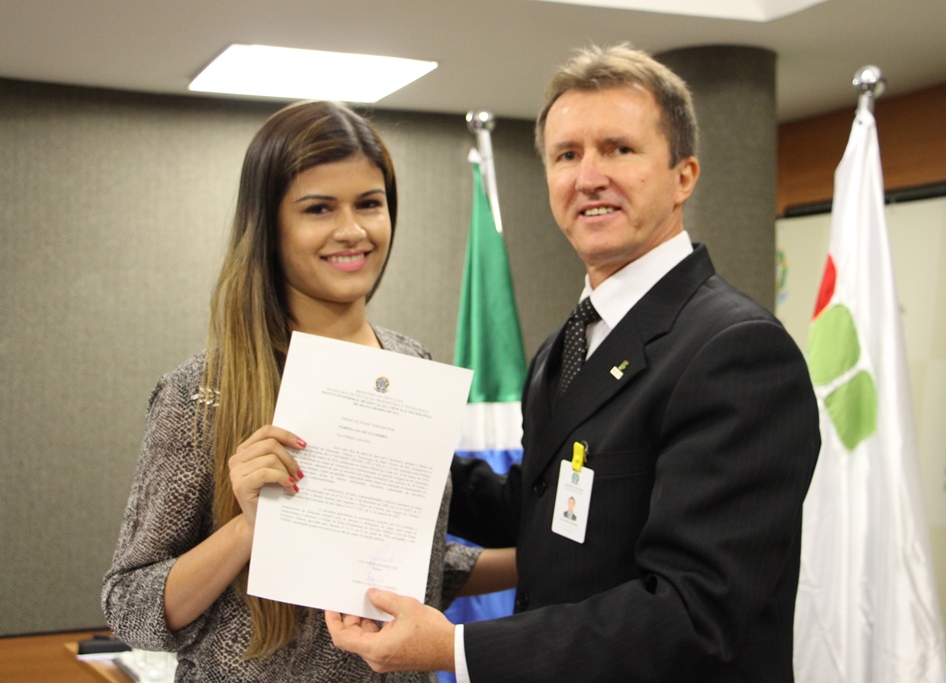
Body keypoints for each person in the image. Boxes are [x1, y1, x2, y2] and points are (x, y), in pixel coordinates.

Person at [326, 43, 821, 682]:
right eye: (567, 155)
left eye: (618, 148)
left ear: (684, 176)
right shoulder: (570, 342)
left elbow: (695, 611)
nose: (589, 176)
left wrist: (457, 651)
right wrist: (379, 453)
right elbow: (540, 500)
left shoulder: (737, 351)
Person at [102, 100, 513, 682]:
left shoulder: (412, 365)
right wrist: (249, 528)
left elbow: (401, 565)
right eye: (319, 208)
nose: (352, 230)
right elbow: (130, 607)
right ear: (270, 227)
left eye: (369, 204)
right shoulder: (202, 393)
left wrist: (546, 562)